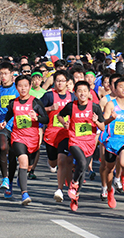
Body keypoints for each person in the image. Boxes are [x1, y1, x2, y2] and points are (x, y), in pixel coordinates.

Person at [0, 75, 48, 205]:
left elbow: (46, 119)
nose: (23, 89)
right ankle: (24, 193)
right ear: (16, 88)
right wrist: (4, 122)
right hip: (18, 137)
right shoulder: (13, 103)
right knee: (23, 161)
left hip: (32, 138)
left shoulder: (35, 102)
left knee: (28, 166)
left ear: (30, 87)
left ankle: (20, 179)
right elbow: (9, 114)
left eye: (25, 86)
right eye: (20, 86)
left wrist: (36, 118)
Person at [59, 80, 106, 211]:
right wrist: (64, 123)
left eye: (85, 91)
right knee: (82, 163)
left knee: (82, 168)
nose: (82, 94)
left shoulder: (95, 107)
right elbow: (59, 116)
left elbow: (102, 127)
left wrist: (96, 121)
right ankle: (73, 183)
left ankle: (76, 197)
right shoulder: (71, 106)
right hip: (75, 141)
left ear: (89, 92)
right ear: (75, 93)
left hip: (89, 143)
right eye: (79, 91)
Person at [101, 77, 124, 209]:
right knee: (109, 168)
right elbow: (103, 123)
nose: (123, 89)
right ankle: (110, 191)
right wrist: (111, 118)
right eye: (120, 87)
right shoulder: (110, 104)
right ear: (115, 89)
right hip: (111, 140)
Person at [41, 69, 76, 202]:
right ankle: (54, 167)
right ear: (54, 82)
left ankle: (60, 189)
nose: (60, 83)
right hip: (51, 134)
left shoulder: (72, 97)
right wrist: (50, 109)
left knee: (64, 161)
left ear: (67, 83)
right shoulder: (49, 96)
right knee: (53, 161)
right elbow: (36, 108)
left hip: (66, 134)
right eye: (57, 81)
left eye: (62, 81)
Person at [0, 62, 19, 189]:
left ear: (12, 74)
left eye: (6, 73)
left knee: (12, 153)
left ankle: (10, 178)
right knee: (2, 147)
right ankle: (5, 178)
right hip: (2, 124)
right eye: (1, 74)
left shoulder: (17, 90)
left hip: (15, 125)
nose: (3, 76)